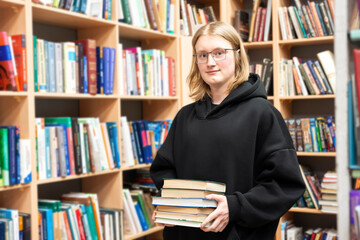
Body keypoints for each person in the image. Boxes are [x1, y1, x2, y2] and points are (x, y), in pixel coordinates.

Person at [150, 21, 305, 240]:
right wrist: (170, 204)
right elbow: (164, 172)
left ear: (238, 55)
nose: (210, 62)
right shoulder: (185, 116)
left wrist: (234, 207)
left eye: (219, 53)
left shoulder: (262, 113)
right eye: (202, 55)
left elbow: (284, 184)